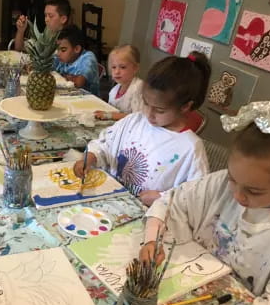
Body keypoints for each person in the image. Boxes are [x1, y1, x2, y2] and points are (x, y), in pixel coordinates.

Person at [140, 93, 270, 305]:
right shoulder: (222, 183)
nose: (238, 196)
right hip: (188, 288)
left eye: (253, 191)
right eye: (233, 178)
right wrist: (151, 240)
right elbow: (172, 201)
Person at [74, 52, 211, 206]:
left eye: (159, 110)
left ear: (185, 106)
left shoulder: (191, 149)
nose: (149, 114)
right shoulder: (134, 121)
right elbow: (105, 144)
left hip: (145, 218)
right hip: (108, 203)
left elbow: (197, 198)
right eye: (145, 103)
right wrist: (91, 156)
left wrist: (162, 198)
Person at [95, 45, 143, 121]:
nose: (117, 72)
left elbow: (137, 117)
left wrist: (109, 115)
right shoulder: (114, 90)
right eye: (114, 67)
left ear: (135, 68)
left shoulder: (138, 88)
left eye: (123, 67)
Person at [54, 24, 100, 96]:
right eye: (57, 49)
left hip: (88, 102)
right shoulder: (62, 57)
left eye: (63, 50)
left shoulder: (88, 58)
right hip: (69, 97)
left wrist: (64, 76)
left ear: (77, 49)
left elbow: (79, 83)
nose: (58, 53)